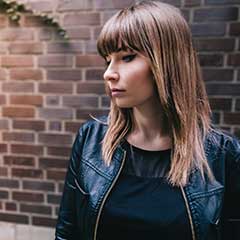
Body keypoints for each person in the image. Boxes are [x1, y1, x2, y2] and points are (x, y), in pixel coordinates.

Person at [55, 1, 240, 240]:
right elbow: (68, 232)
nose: (109, 73)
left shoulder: (224, 156)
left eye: (127, 57)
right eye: (107, 59)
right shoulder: (91, 140)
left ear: (167, 62)